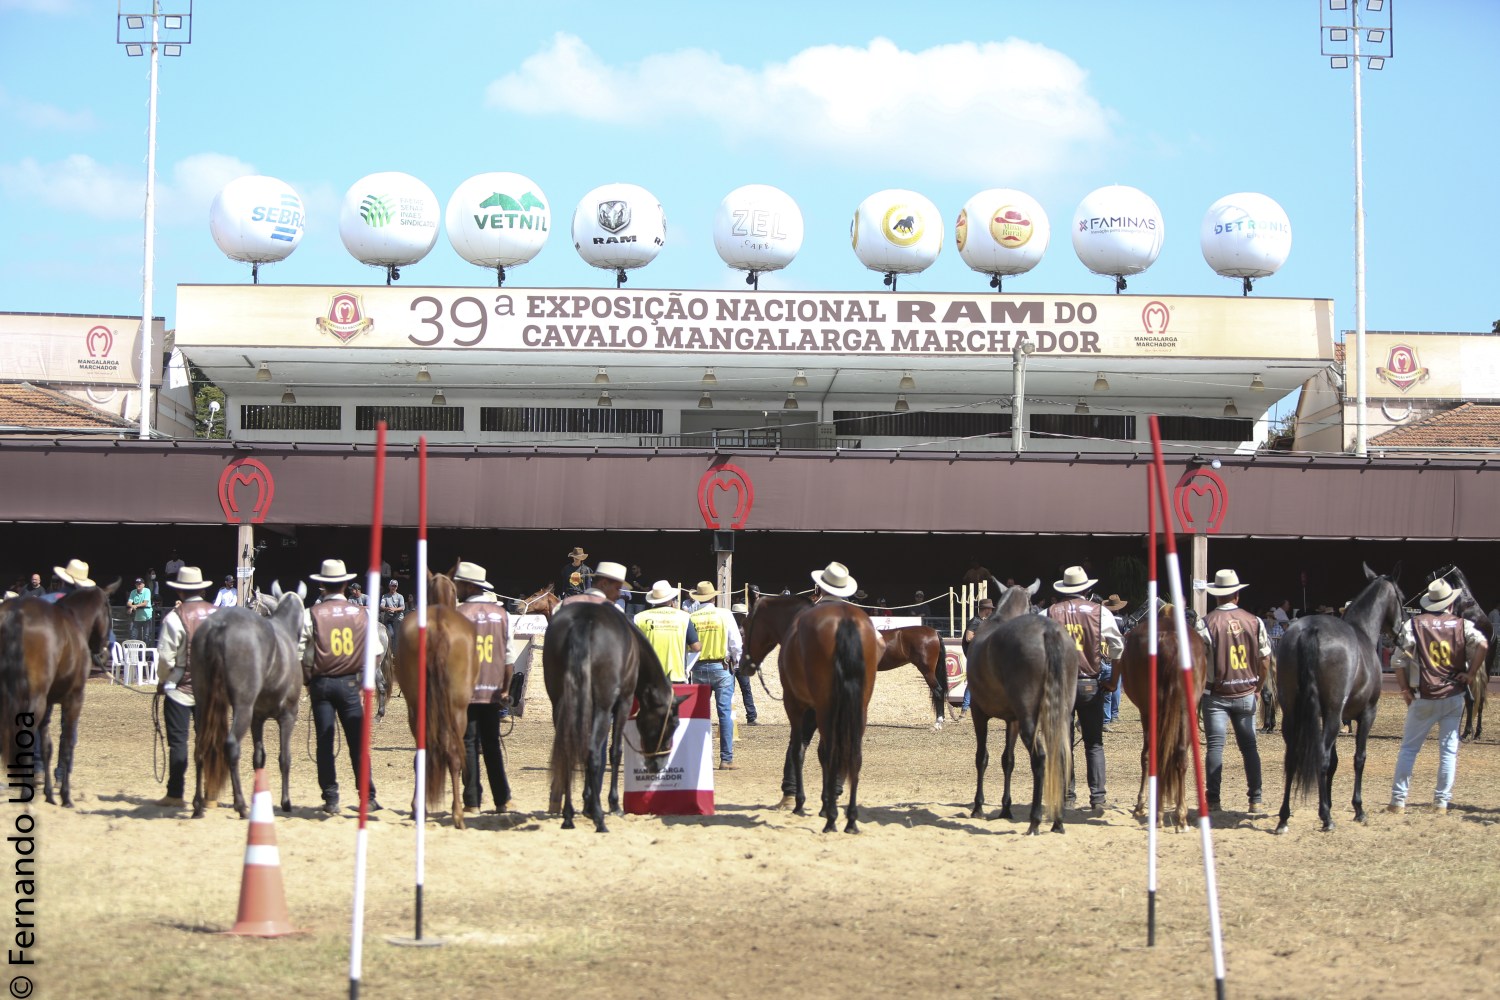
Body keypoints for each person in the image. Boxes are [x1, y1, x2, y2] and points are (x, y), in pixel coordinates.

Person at [1387, 578, 1488, 815]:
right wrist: (1471, 673)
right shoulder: (1462, 625)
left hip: (1423, 695)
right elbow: (1483, 644)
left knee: (1409, 750)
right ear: (1449, 603)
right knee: (1448, 751)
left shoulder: (1414, 625)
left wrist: (1405, 691)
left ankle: (1398, 802)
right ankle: (1441, 803)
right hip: (1453, 696)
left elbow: (1397, 661)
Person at [300, 558, 385, 815]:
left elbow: (298, 653)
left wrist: (307, 679)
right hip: (351, 683)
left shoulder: (310, 614)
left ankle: (331, 797)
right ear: (346, 584)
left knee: (325, 741)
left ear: (322, 585)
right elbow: (377, 653)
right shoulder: (362, 613)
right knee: (357, 742)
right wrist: (365, 682)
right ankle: (366, 796)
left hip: (322, 683)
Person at [1048, 565, 1122, 817]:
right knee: (1094, 744)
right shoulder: (1100, 612)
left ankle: (1067, 796)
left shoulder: (1050, 612)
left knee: (1063, 743)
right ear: (1087, 589)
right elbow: (1117, 647)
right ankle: (1097, 797)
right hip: (1090, 683)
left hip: (1061, 685)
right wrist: (1113, 680)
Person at [1200, 570, 1270, 814]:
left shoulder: (1205, 622)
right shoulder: (1255, 621)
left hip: (1216, 695)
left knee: (1215, 747)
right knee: (1249, 747)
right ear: (1237, 595)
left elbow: (1198, 660)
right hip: (1246, 692)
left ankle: (1214, 800)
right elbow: (1265, 660)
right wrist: (1258, 687)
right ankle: (1256, 799)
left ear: (1216, 596)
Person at [153, 565, 217, 809]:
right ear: (201, 589)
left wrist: (162, 680)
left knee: (178, 742)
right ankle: (211, 795)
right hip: (211, 689)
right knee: (210, 740)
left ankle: (175, 793)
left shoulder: (173, 618)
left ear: (180, 592)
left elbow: (165, 659)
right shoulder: (218, 614)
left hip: (179, 688)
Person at [453, 561, 515, 813]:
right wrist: (505, 689)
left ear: (468, 586)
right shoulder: (502, 614)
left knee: (468, 743)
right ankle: (502, 799)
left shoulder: (457, 614)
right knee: (491, 744)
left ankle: (472, 801)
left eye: (458, 584)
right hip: (492, 689)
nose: (456, 588)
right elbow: (509, 657)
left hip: (464, 690)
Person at [687, 581, 742, 770]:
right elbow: (736, 643)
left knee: (700, 714)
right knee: (725, 713)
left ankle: (700, 757)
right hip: (722, 667)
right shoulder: (724, 615)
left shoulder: (692, 617)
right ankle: (726, 759)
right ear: (713, 597)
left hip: (698, 668)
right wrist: (738, 662)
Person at [634, 581, 699, 683]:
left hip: (648, 678)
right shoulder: (684, 617)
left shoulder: (639, 618)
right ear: (671, 599)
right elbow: (696, 647)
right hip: (676, 677)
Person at [957, 598, 996, 720]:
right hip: (976, 656)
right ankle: (965, 708)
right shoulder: (975, 622)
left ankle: (969, 708)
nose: (991, 610)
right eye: (990, 608)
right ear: (986, 610)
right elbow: (968, 638)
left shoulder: (984, 621)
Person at [1099, 595, 1129, 727]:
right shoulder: (1124, 620)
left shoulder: (1103, 618)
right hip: (1117, 654)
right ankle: (1114, 714)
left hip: (1103, 654)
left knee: (1104, 688)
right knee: (1116, 684)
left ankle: (1106, 717)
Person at [730, 602, 758, 725]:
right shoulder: (730, 626)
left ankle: (751, 716)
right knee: (730, 691)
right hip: (732, 662)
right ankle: (730, 717)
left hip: (741, 663)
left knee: (746, 689)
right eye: (739, 615)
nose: (741, 617)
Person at [560, 560, 628, 607]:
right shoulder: (614, 613)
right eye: (617, 588)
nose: (619, 594)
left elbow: (588, 583)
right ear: (604, 584)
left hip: (580, 593)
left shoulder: (586, 569)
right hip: (570, 593)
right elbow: (565, 581)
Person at [379, 578, 406, 648]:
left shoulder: (400, 596)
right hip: (389, 619)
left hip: (398, 618)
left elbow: (402, 607)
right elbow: (381, 606)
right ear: (389, 586)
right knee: (391, 634)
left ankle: (398, 651)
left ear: (397, 587)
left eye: (395, 586)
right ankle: (390, 651)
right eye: (392, 586)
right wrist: (386, 608)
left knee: (399, 635)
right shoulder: (385, 596)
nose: (393, 587)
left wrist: (395, 609)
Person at [127, 577, 154, 643]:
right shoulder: (133, 592)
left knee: (146, 636)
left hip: (146, 616)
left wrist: (134, 606)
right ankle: (134, 651)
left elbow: (145, 603)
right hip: (137, 617)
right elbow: (129, 603)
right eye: (137, 584)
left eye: (140, 584)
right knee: (133, 636)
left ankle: (146, 652)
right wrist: (132, 606)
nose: (138, 585)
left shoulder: (147, 590)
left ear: (143, 585)